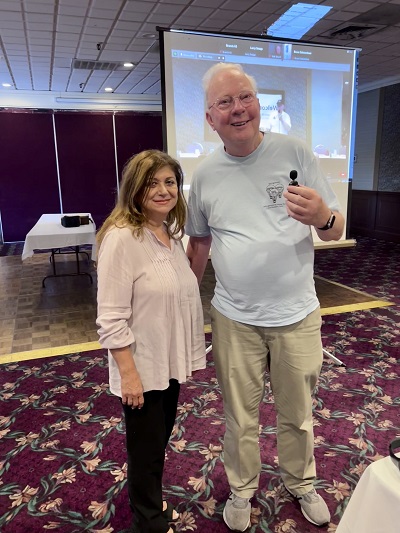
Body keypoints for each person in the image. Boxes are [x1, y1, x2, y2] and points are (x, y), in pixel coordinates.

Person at [186, 63, 345, 531]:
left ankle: (301, 482)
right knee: (240, 418)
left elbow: (335, 230)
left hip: (298, 315)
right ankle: (242, 489)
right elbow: (199, 243)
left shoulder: (294, 151)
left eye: (246, 97)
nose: (238, 109)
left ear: (259, 104)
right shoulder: (205, 175)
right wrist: (184, 305)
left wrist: (322, 216)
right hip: (234, 319)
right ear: (210, 118)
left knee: (298, 414)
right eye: (225, 102)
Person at [96, 149, 206, 533]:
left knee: (157, 443)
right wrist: (129, 375)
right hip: (141, 369)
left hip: (167, 363)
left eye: (170, 182)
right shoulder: (122, 238)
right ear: (135, 189)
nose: (163, 190)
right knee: (145, 450)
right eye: (152, 183)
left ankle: (152, 501)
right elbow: (111, 318)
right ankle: (148, 522)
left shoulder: (169, 235)